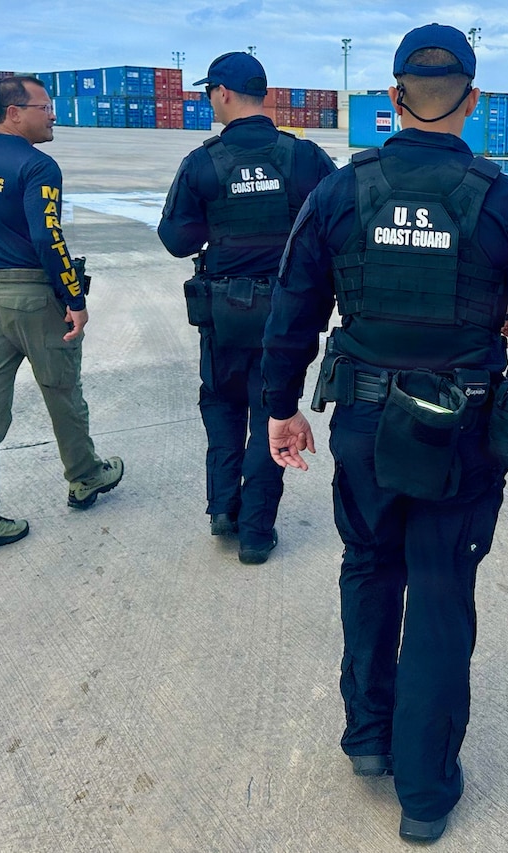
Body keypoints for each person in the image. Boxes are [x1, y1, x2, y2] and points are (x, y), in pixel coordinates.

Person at [261, 24, 508, 843]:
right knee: (443, 594)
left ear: (393, 97)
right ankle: (425, 790)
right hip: (463, 429)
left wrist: (281, 406)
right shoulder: (505, 201)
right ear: (475, 103)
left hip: (366, 421)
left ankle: (369, 738)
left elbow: (293, 311)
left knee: (369, 566)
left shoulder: (342, 193)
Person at [158, 52, 336, 565]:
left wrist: (222, 226)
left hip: (225, 310)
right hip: (287, 311)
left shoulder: (203, 162)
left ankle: (223, 508)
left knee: (221, 402)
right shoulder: (304, 158)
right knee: (273, 410)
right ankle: (257, 532)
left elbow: (176, 239)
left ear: (223, 93)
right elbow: (333, 227)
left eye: (209, 92)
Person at [0, 75, 123, 558]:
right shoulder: (38, 165)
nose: (52, 115)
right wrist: (74, 297)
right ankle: (86, 477)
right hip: (31, 297)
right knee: (63, 391)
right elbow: (48, 238)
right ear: (13, 112)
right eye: (44, 107)